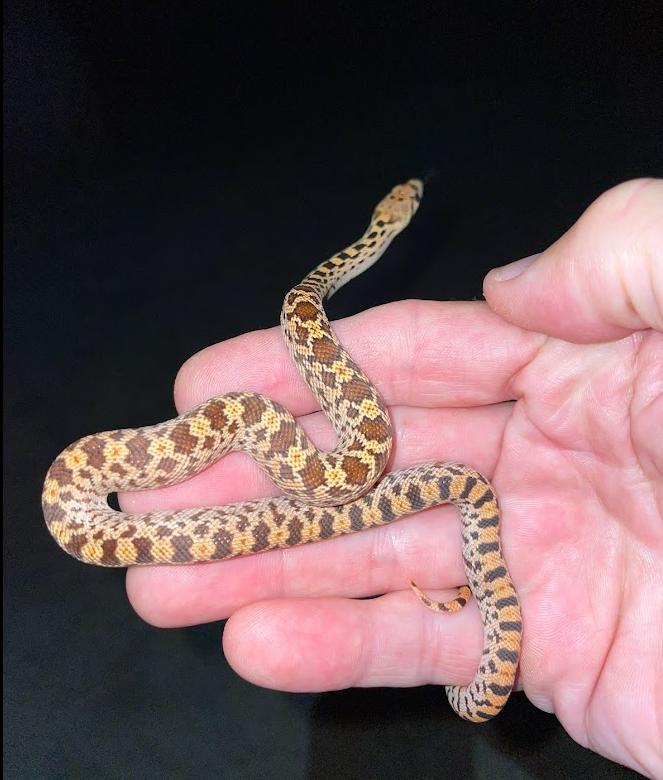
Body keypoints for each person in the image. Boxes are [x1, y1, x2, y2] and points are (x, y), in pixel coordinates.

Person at [124, 178, 662, 778]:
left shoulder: (316, 319)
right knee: (248, 428)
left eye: (404, 199)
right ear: (393, 221)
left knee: (276, 438)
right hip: (346, 470)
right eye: (405, 200)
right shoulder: (309, 310)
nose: (410, 196)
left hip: (369, 475)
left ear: (388, 219)